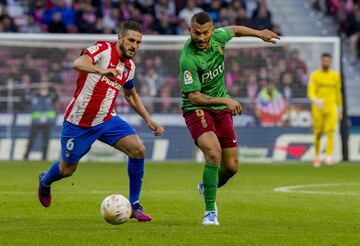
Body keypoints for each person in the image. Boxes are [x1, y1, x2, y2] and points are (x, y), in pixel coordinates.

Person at [37, 21, 164, 222]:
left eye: (138, 42)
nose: (134, 46)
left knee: (138, 149)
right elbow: (78, 63)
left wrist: (148, 119)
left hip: (106, 119)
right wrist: (101, 71)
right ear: (120, 38)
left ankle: (134, 205)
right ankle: (45, 181)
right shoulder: (103, 49)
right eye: (131, 40)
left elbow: (130, 94)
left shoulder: (129, 67)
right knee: (67, 169)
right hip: (79, 122)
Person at [179, 12, 279, 225]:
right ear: (190, 31)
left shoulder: (219, 37)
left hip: (220, 108)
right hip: (196, 109)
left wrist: (259, 33)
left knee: (231, 167)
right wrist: (225, 101)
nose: (202, 38)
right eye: (197, 33)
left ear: (213, 30)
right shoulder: (188, 59)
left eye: (206, 33)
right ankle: (209, 213)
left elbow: (234, 30)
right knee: (213, 154)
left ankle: (206, 188)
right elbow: (194, 97)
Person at [307, 53, 343, 167]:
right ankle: (317, 157)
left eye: (328, 61)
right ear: (321, 61)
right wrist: (315, 100)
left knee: (330, 131)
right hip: (318, 107)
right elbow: (310, 91)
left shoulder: (335, 76)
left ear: (330, 62)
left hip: (331, 107)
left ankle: (328, 157)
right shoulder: (315, 75)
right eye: (324, 61)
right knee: (318, 132)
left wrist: (340, 109)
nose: (326, 63)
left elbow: (338, 93)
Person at [24, 75, 58, 161]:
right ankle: (26, 156)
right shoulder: (34, 95)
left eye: (45, 82)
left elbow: (57, 97)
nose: (43, 84)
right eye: (42, 82)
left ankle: (44, 157)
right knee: (31, 139)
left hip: (47, 122)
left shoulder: (51, 95)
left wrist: (55, 88)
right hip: (36, 122)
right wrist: (27, 88)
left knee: (46, 141)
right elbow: (24, 100)